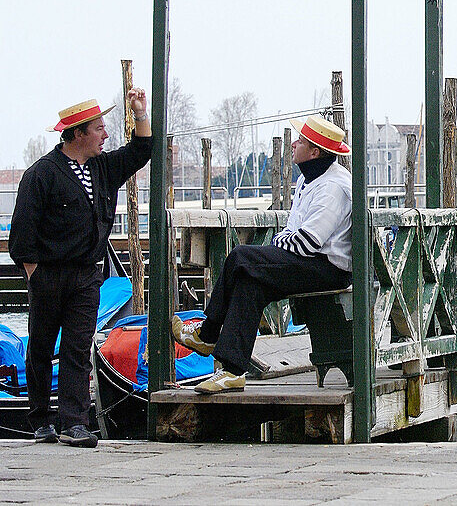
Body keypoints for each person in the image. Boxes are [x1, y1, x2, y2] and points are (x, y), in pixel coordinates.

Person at [9, 90, 152, 447]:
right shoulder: (40, 174)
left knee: (77, 348)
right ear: (77, 134)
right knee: (41, 348)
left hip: (87, 275)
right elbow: (22, 237)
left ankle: (73, 423)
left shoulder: (103, 168)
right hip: (48, 275)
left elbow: (141, 151)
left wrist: (141, 113)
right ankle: (41, 419)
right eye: (99, 128)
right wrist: (35, 275)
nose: (105, 135)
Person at [171, 115, 353, 394]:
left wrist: (281, 242)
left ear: (315, 152)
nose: (293, 144)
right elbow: (293, 233)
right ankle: (232, 371)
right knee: (249, 283)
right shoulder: (311, 180)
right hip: (311, 262)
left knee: (240, 257)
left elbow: (307, 241)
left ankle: (206, 335)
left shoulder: (333, 188)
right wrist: (284, 240)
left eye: (300, 141)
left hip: (328, 269)